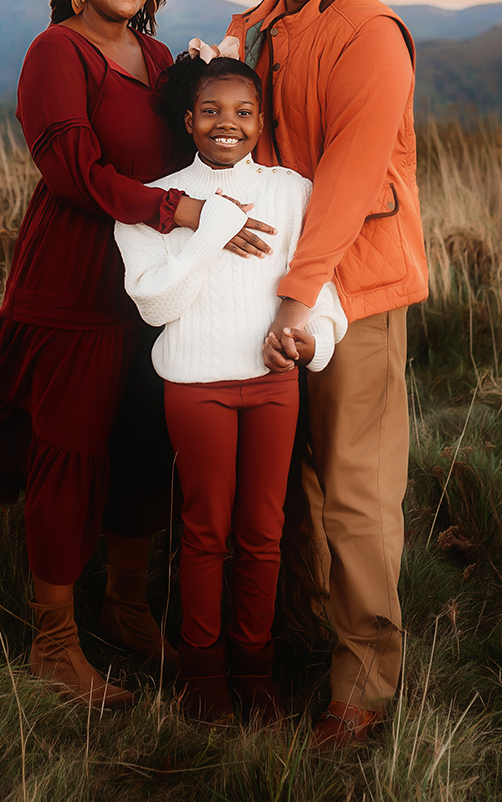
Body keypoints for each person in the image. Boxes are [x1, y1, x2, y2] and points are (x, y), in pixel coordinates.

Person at [0, 0, 269, 711]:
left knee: (142, 446)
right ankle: (54, 643)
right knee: (70, 453)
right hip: (77, 283)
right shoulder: (56, 51)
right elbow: (73, 173)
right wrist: (180, 213)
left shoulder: (158, 55)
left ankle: (126, 608)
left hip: (155, 292)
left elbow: (204, 131)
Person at [222, 0, 427, 748]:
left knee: (354, 485)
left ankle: (366, 681)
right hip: (272, 285)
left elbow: (345, 180)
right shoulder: (253, 24)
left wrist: (302, 294)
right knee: (288, 477)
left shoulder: (371, 32)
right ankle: (308, 631)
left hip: (353, 285)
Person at [113, 54, 347, 725]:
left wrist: (317, 341)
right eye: (211, 111)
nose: (227, 124)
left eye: (243, 112)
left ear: (262, 121)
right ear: (188, 120)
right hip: (196, 388)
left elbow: (322, 288)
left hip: (274, 385)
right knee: (206, 530)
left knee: (264, 532)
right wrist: (209, 225)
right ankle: (202, 671)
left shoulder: (291, 191)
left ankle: (256, 667)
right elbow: (157, 305)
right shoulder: (151, 201)